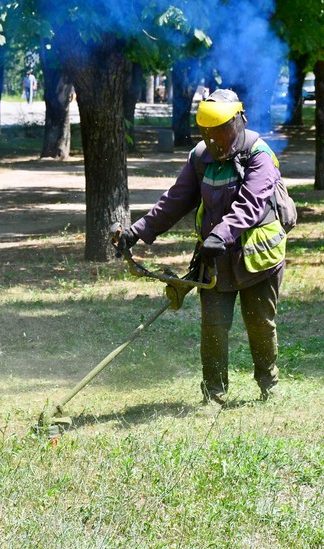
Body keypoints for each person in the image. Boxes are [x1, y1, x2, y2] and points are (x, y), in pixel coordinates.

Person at [116, 89, 287, 405]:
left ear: (238, 121)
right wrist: (137, 231)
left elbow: (249, 206)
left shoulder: (259, 155)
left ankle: (269, 384)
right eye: (208, 132)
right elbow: (175, 200)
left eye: (221, 129)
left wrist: (220, 234)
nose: (215, 138)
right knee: (214, 329)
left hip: (258, 259)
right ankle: (214, 394)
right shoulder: (200, 158)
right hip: (216, 261)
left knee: (260, 325)